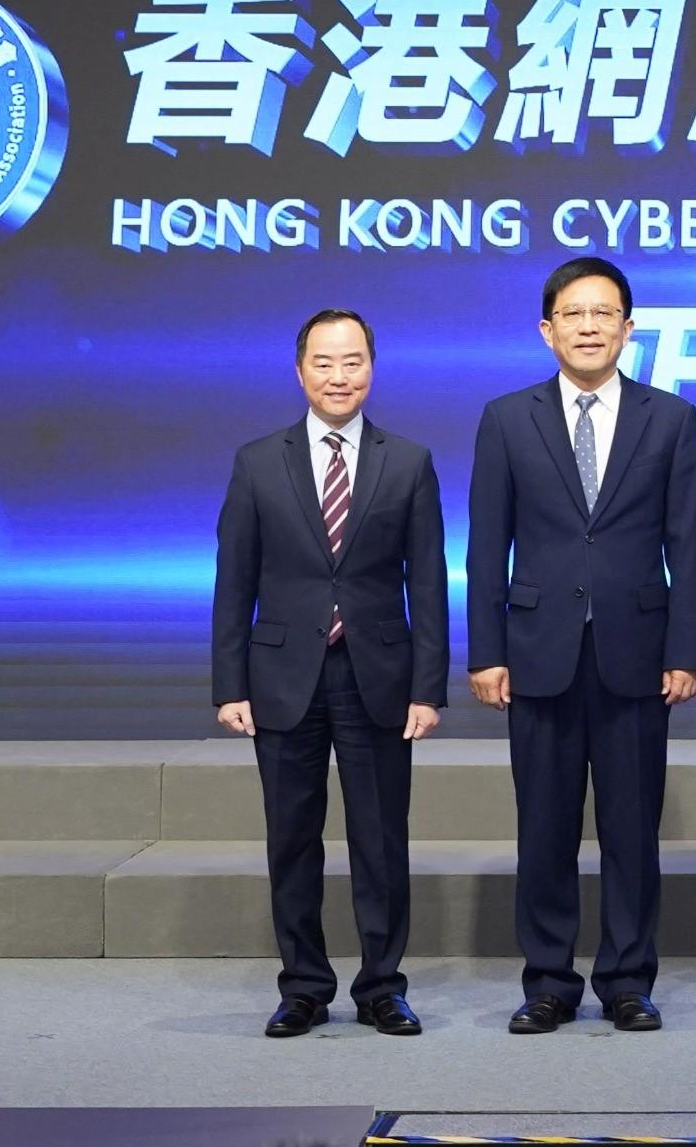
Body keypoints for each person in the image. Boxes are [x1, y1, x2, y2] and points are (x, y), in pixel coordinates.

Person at [465, 257, 696, 1034]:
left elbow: (689, 545)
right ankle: (548, 982)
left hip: (638, 652)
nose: (589, 327)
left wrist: (686, 650)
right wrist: (486, 650)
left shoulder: (668, 418)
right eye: (573, 314)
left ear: (629, 329)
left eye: (605, 314)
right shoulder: (507, 418)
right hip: (536, 651)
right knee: (543, 828)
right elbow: (485, 547)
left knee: (633, 830)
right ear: (547, 330)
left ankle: (629, 981)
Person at [212, 307, 448, 1038]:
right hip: (283, 677)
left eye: (352, 362)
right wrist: (230, 684)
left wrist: (428, 687)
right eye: (324, 362)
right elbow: (234, 578)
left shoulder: (407, 461)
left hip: (376, 673)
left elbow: (430, 582)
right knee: (292, 837)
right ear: (300, 370)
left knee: (382, 840)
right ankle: (304, 987)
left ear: (371, 369)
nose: (338, 376)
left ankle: (382, 987)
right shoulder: (258, 461)